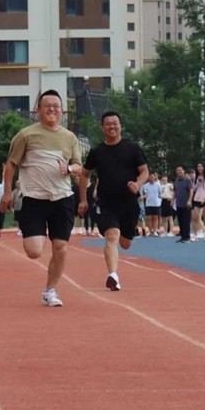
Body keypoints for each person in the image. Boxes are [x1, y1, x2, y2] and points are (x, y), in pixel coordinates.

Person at [0, 90, 82, 307]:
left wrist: (69, 168)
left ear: (62, 110)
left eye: (56, 105)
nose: (52, 109)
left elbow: (78, 166)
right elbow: (11, 165)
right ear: (38, 110)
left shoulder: (70, 137)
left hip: (62, 198)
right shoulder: (25, 135)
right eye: (47, 105)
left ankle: (50, 290)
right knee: (34, 251)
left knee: (61, 247)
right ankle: (38, 233)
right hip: (34, 199)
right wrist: (7, 192)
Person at [78, 110, 148, 292]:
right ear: (102, 128)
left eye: (114, 123)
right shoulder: (96, 152)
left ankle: (128, 234)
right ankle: (113, 276)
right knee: (111, 236)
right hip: (107, 203)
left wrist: (138, 184)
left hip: (129, 203)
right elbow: (84, 175)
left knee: (125, 243)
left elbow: (144, 171)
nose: (112, 127)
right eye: (108, 124)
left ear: (120, 126)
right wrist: (83, 200)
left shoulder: (132, 148)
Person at [172, 166, 194, 243]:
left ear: (183, 171)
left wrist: (189, 200)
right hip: (178, 204)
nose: (179, 172)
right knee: (180, 221)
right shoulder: (176, 181)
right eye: (177, 170)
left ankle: (187, 237)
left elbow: (191, 191)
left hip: (186, 204)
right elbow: (175, 191)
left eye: (180, 170)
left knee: (186, 221)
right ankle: (182, 236)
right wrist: (172, 200)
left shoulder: (187, 180)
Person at [192, 163, 205, 241]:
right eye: (198, 167)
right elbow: (194, 189)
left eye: (201, 166)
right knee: (195, 218)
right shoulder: (196, 177)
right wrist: (198, 182)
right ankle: (195, 235)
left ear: (204, 167)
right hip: (197, 198)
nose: (200, 168)